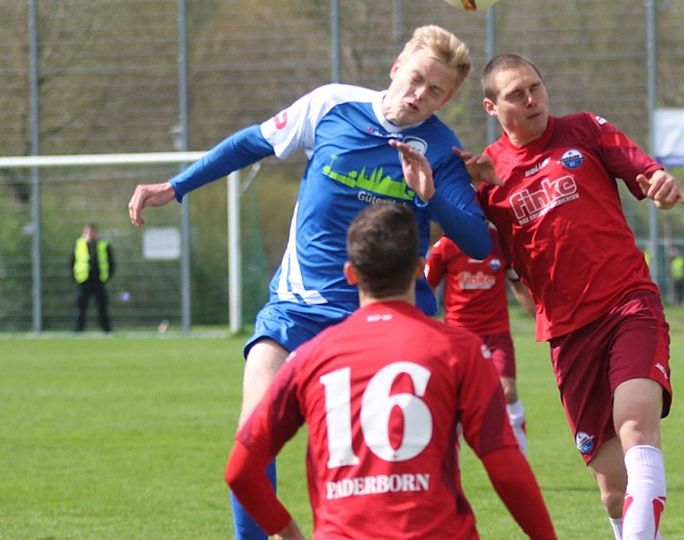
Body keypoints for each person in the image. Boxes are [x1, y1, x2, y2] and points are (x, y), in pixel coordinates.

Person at [127, 25, 491, 540]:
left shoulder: (440, 149)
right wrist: (177, 185)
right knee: (252, 441)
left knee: (382, 463)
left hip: (383, 325)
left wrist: (427, 194)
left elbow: (478, 242)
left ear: (449, 98)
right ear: (395, 68)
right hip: (295, 309)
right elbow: (253, 141)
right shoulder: (332, 105)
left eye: (436, 92)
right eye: (415, 80)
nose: (418, 97)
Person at [456, 53, 684, 540]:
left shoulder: (585, 129)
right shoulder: (485, 176)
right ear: (490, 107)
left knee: (636, 427)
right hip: (566, 333)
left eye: (536, 87)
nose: (532, 99)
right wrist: (460, 192)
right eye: (516, 94)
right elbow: (465, 238)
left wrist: (660, 183)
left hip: (628, 305)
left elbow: (645, 173)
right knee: (611, 485)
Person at [224, 204, 557, 540]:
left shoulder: (309, 358)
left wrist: (289, 532)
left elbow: (241, 471)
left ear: (351, 273)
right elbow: (506, 470)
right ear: (418, 269)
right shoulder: (460, 351)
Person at [425, 225, 536, 452]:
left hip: (496, 334)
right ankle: (450, 470)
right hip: (458, 336)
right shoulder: (445, 245)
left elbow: (518, 285)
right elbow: (427, 288)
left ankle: (520, 457)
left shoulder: (501, 241)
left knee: (508, 390)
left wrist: (539, 319)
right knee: (453, 401)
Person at [70, 223, 114, 333]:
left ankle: (106, 330)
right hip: (83, 280)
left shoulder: (103, 244)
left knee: (102, 307)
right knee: (81, 307)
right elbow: (71, 262)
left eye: (92, 232)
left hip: (99, 280)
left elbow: (111, 262)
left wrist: (108, 276)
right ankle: (78, 330)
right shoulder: (79, 244)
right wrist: (75, 277)